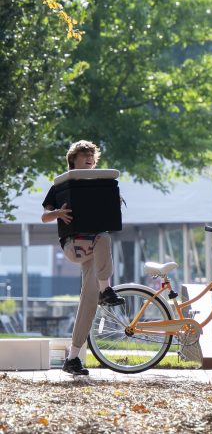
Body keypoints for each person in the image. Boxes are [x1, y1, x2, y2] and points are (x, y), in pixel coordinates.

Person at [41, 140, 124, 376]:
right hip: (73, 244)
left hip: (93, 248)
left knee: (88, 302)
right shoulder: (61, 185)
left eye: (92, 156)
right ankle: (106, 291)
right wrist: (57, 213)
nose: (90, 158)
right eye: (84, 155)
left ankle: (73, 358)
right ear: (73, 160)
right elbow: (44, 216)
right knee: (104, 238)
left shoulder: (103, 185)